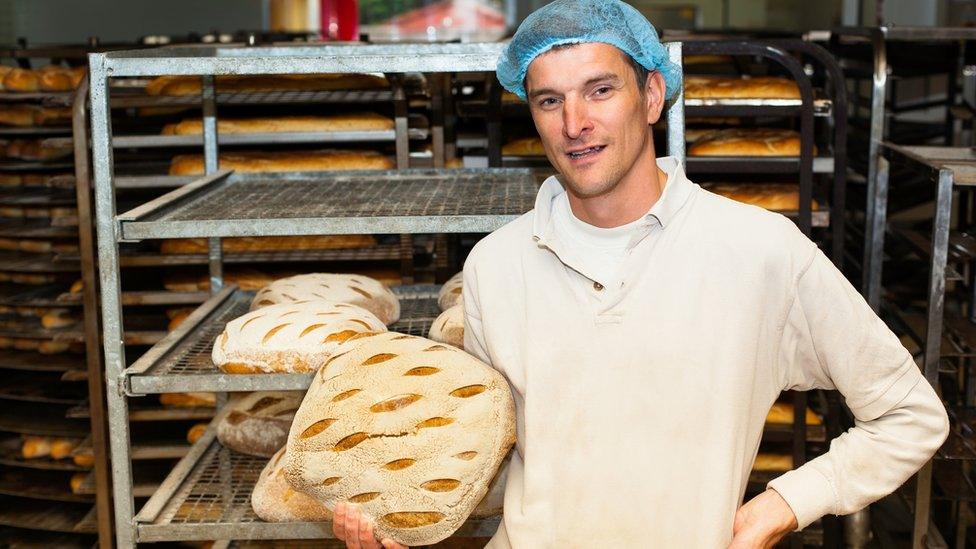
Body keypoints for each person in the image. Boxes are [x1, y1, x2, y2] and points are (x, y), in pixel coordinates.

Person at [332, 0, 950, 547]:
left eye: (600, 90)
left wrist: (780, 508)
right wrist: (404, 514)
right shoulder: (496, 266)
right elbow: (500, 456)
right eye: (550, 100)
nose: (574, 123)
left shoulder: (758, 253)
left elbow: (909, 415)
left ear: (652, 95)